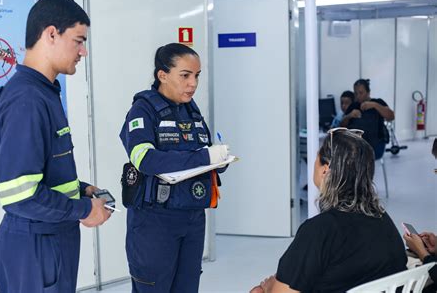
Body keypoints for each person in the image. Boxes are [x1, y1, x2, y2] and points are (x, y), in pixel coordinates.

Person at [0, 0, 111, 293]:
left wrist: (82, 189)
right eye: (79, 41)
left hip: (49, 240)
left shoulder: (44, 92)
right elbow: (20, 195)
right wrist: (84, 209)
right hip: (35, 248)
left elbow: (42, 171)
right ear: (51, 34)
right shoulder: (28, 100)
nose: (83, 51)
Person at [120, 43, 229, 292]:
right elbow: (145, 160)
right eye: (185, 75)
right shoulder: (143, 111)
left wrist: (219, 160)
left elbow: (202, 154)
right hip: (155, 221)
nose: (193, 84)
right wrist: (204, 158)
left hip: (192, 218)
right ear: (162, 75)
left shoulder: (192, 112)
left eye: (197, 76)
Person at [250, 128, 407, 293]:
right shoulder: (383, 219)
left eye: (316, 158)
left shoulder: (319, 230)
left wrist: (266, 289)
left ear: (325, 170)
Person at [341, 79, 394, 158]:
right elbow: (342, 127)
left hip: (375, 146)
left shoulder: (378, 102)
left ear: (368, 92)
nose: (358, 96)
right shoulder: (353, 106)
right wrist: (349, 116)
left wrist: (374, 105)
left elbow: (391, 117)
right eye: (356, 93)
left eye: (361, 93)